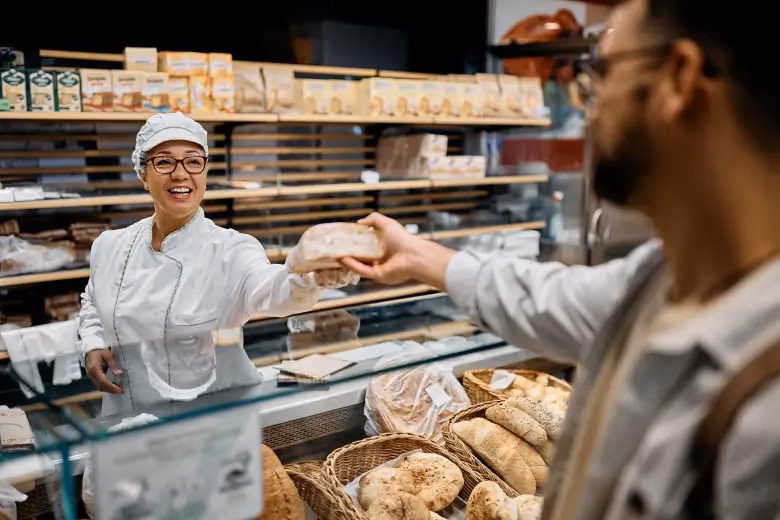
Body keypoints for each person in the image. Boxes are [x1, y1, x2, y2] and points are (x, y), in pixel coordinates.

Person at [342, 0, 780, 518]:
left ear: (679, 80)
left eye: (600, 73)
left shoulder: (764, 409)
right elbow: (549, 298)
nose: (588, 108)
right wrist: (418, 255)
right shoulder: (659, 277)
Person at [78, 112, 357, 414]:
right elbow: (93, 301)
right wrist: (92, 343)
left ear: (205, 171)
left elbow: (271, 289)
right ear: (143, 174)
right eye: (164, 161)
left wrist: (309, 274)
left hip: (211, 420)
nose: (181, 173)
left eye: (193, 161)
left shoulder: (231, 249)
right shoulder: (109, 246)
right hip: (125, 414)